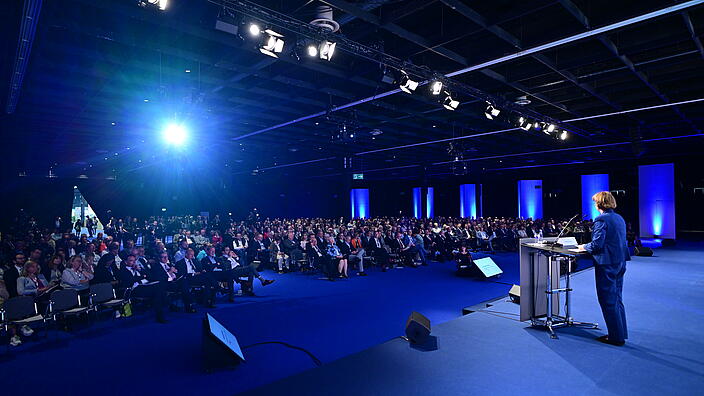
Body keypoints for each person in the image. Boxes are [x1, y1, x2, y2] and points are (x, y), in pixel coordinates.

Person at [578, 191, 630, 346]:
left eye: (595, 202)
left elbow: (596, 245)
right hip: (620, 262)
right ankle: (620, 332)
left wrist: (583, 246)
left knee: (608, 300)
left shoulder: (601, 219)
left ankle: (616, 337)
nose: (594, 205)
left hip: (607, 264)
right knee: (617, 298)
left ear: (599, 204)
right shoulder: (619, 218)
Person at [119, 254, 167, 323]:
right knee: (157, 291)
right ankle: (161, 312)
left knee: (158, 287)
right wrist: (141, 278)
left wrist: (140, 270)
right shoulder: (123, 271)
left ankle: (160, 314)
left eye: (134, 261)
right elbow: (130, 281)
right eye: (131, 261)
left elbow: (149, 276)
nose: (133, 263)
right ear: (126, 262)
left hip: (143, 287)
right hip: (133, 290)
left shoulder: (138, 269)